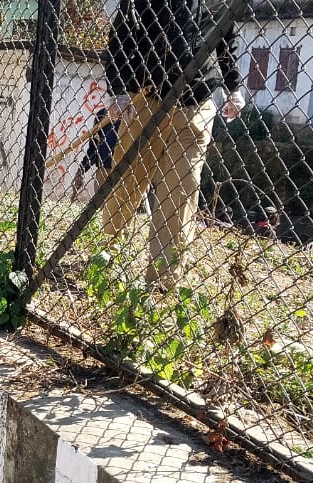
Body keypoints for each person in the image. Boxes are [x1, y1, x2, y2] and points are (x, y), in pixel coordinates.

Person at [104, 0, 244, 289]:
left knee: (181, 188)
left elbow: (227, 42)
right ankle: (107, 256)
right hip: (146, 100)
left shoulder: (219, 3)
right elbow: (119, 39)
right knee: (126, 181)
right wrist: (118, 90)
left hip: (196, 105)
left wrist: (234, 88)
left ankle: (162, 280)